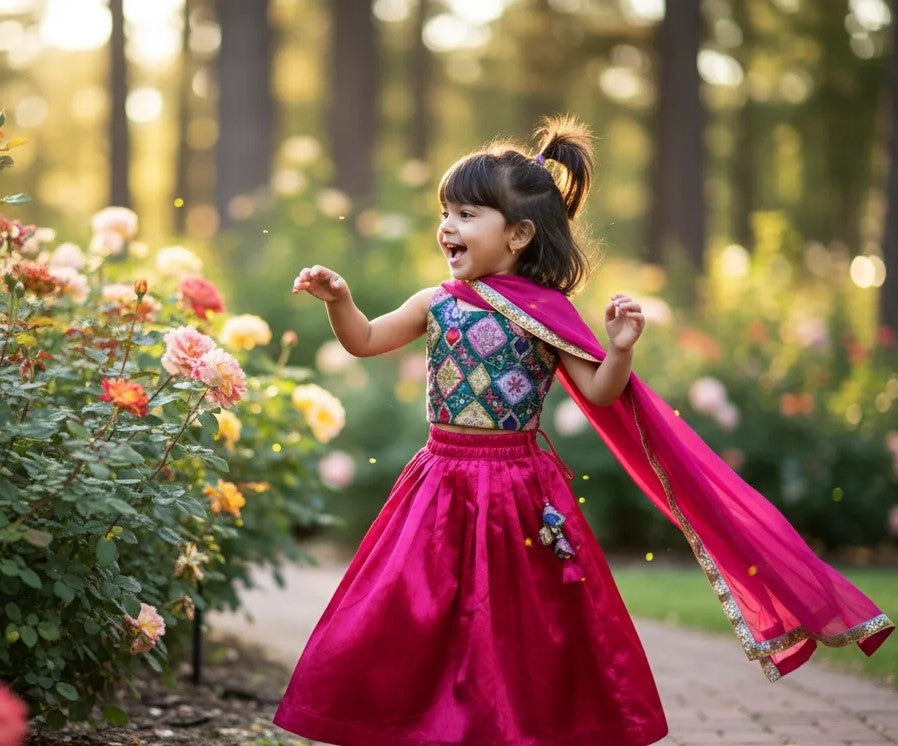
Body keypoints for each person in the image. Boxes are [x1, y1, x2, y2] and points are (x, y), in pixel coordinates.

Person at [274, 116, 893, 746]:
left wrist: (620, 349)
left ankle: (513, 726)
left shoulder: (547, 314)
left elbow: (600, 392)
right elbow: (366, 341)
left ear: (518, 234)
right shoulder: (435, 301)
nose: (449, 227)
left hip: (518, 494)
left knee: (520, 622)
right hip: (438, 485)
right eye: (447, 212)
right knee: (418, 606)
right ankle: (423, 721)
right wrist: (339, 301)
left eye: (466, 214)